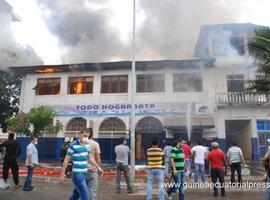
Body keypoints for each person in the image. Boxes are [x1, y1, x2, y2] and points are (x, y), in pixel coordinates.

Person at [60, 129, 103, 200]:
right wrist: (62, 174)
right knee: (85, 196)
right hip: (77, 174)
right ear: (80, 135)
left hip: (84, 173)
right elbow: (66, 160)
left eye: (87, 137)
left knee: (76, 195)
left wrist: (98, 167)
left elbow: (90, 158)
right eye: (85, 136)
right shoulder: (73, 145)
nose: (86, 138)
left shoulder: (87, 145)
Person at [86, 128, 101, 200]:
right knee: (92, 190)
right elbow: (98, 157)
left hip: (81, 169)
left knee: (81, 191)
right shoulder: (95, 144)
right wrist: (99, 168)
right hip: (92, 169)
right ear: (92, 134)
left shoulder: (79, 143)